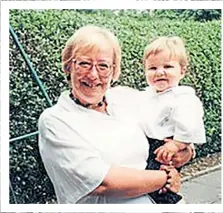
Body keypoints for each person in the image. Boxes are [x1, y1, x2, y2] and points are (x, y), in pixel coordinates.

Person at [38, 25, 193, 204]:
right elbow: (103, 182)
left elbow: (169, 125)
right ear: (68, 66)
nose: (94, 75)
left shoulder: (126, 98)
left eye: (103, 66)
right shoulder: (55, 120)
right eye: (84, 63)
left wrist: (185, 151)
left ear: (113, 71)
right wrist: (165, 177)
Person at [139, 36, 206, 203]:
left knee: (159, 183)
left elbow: (190, 125)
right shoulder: (147, 94)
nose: (160, 72)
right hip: (147, 143)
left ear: (182, 71)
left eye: (167, 66)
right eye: (152, 68)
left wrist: (177, 144)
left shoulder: (183, 98)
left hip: (164, 147)